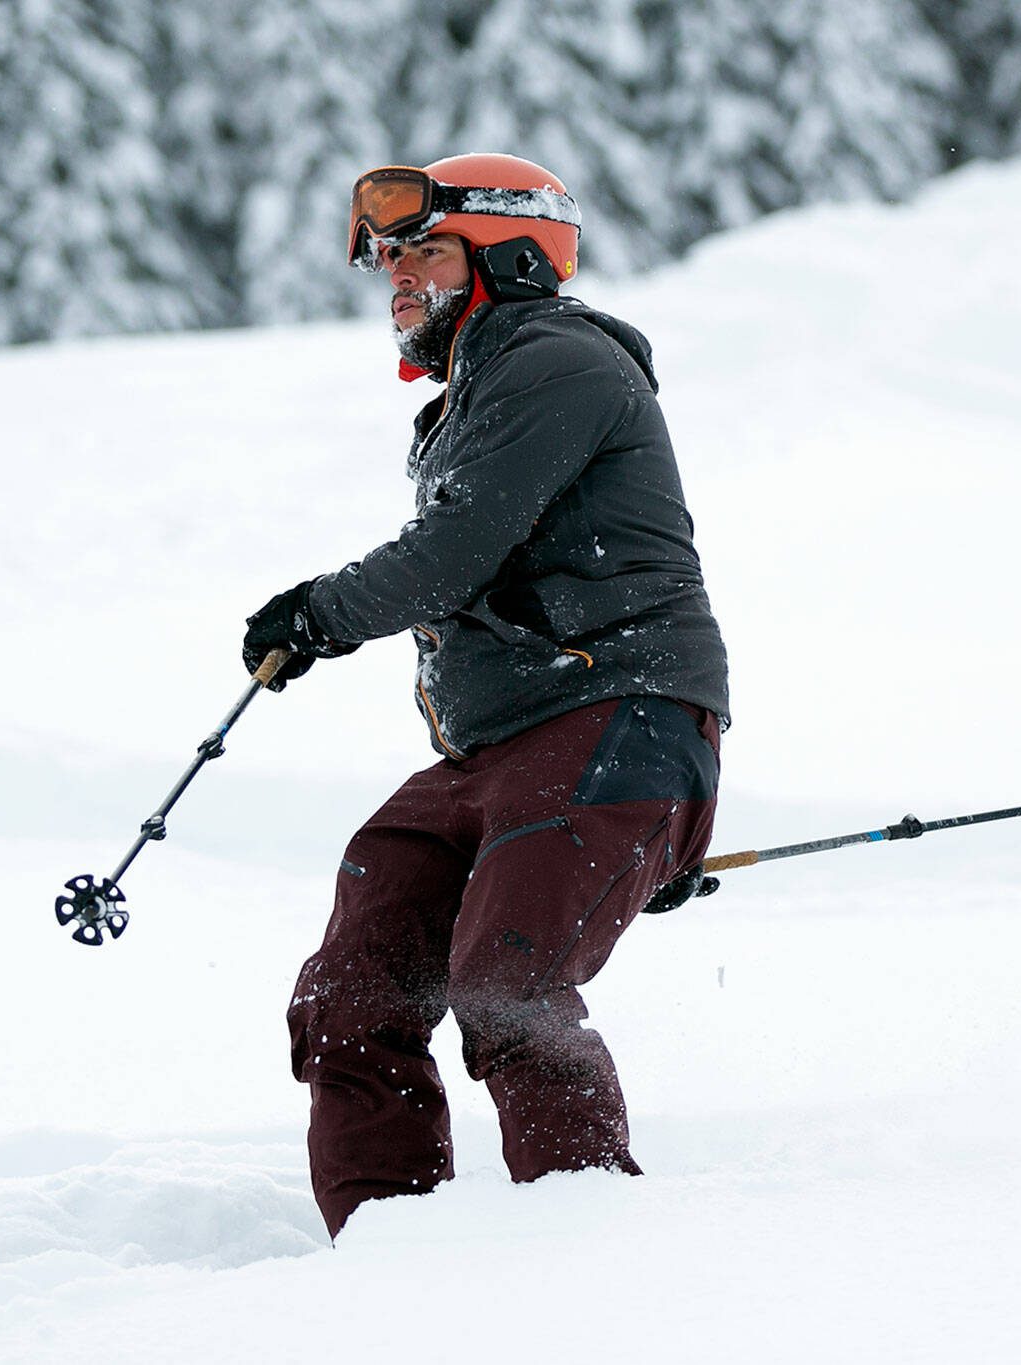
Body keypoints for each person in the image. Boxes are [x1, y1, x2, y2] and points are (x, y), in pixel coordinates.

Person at [242, 153, 729, 1239]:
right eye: (388, 261)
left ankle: (582, 1252)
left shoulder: (558, 359)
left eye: (422, 250)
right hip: (498, 754)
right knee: (354, 994)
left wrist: (317, 612)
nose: (397, 280)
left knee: (504, 982)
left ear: (508, 254)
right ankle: (388, 1254)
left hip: (618, 715)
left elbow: (452, 552)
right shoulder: (467, 403)